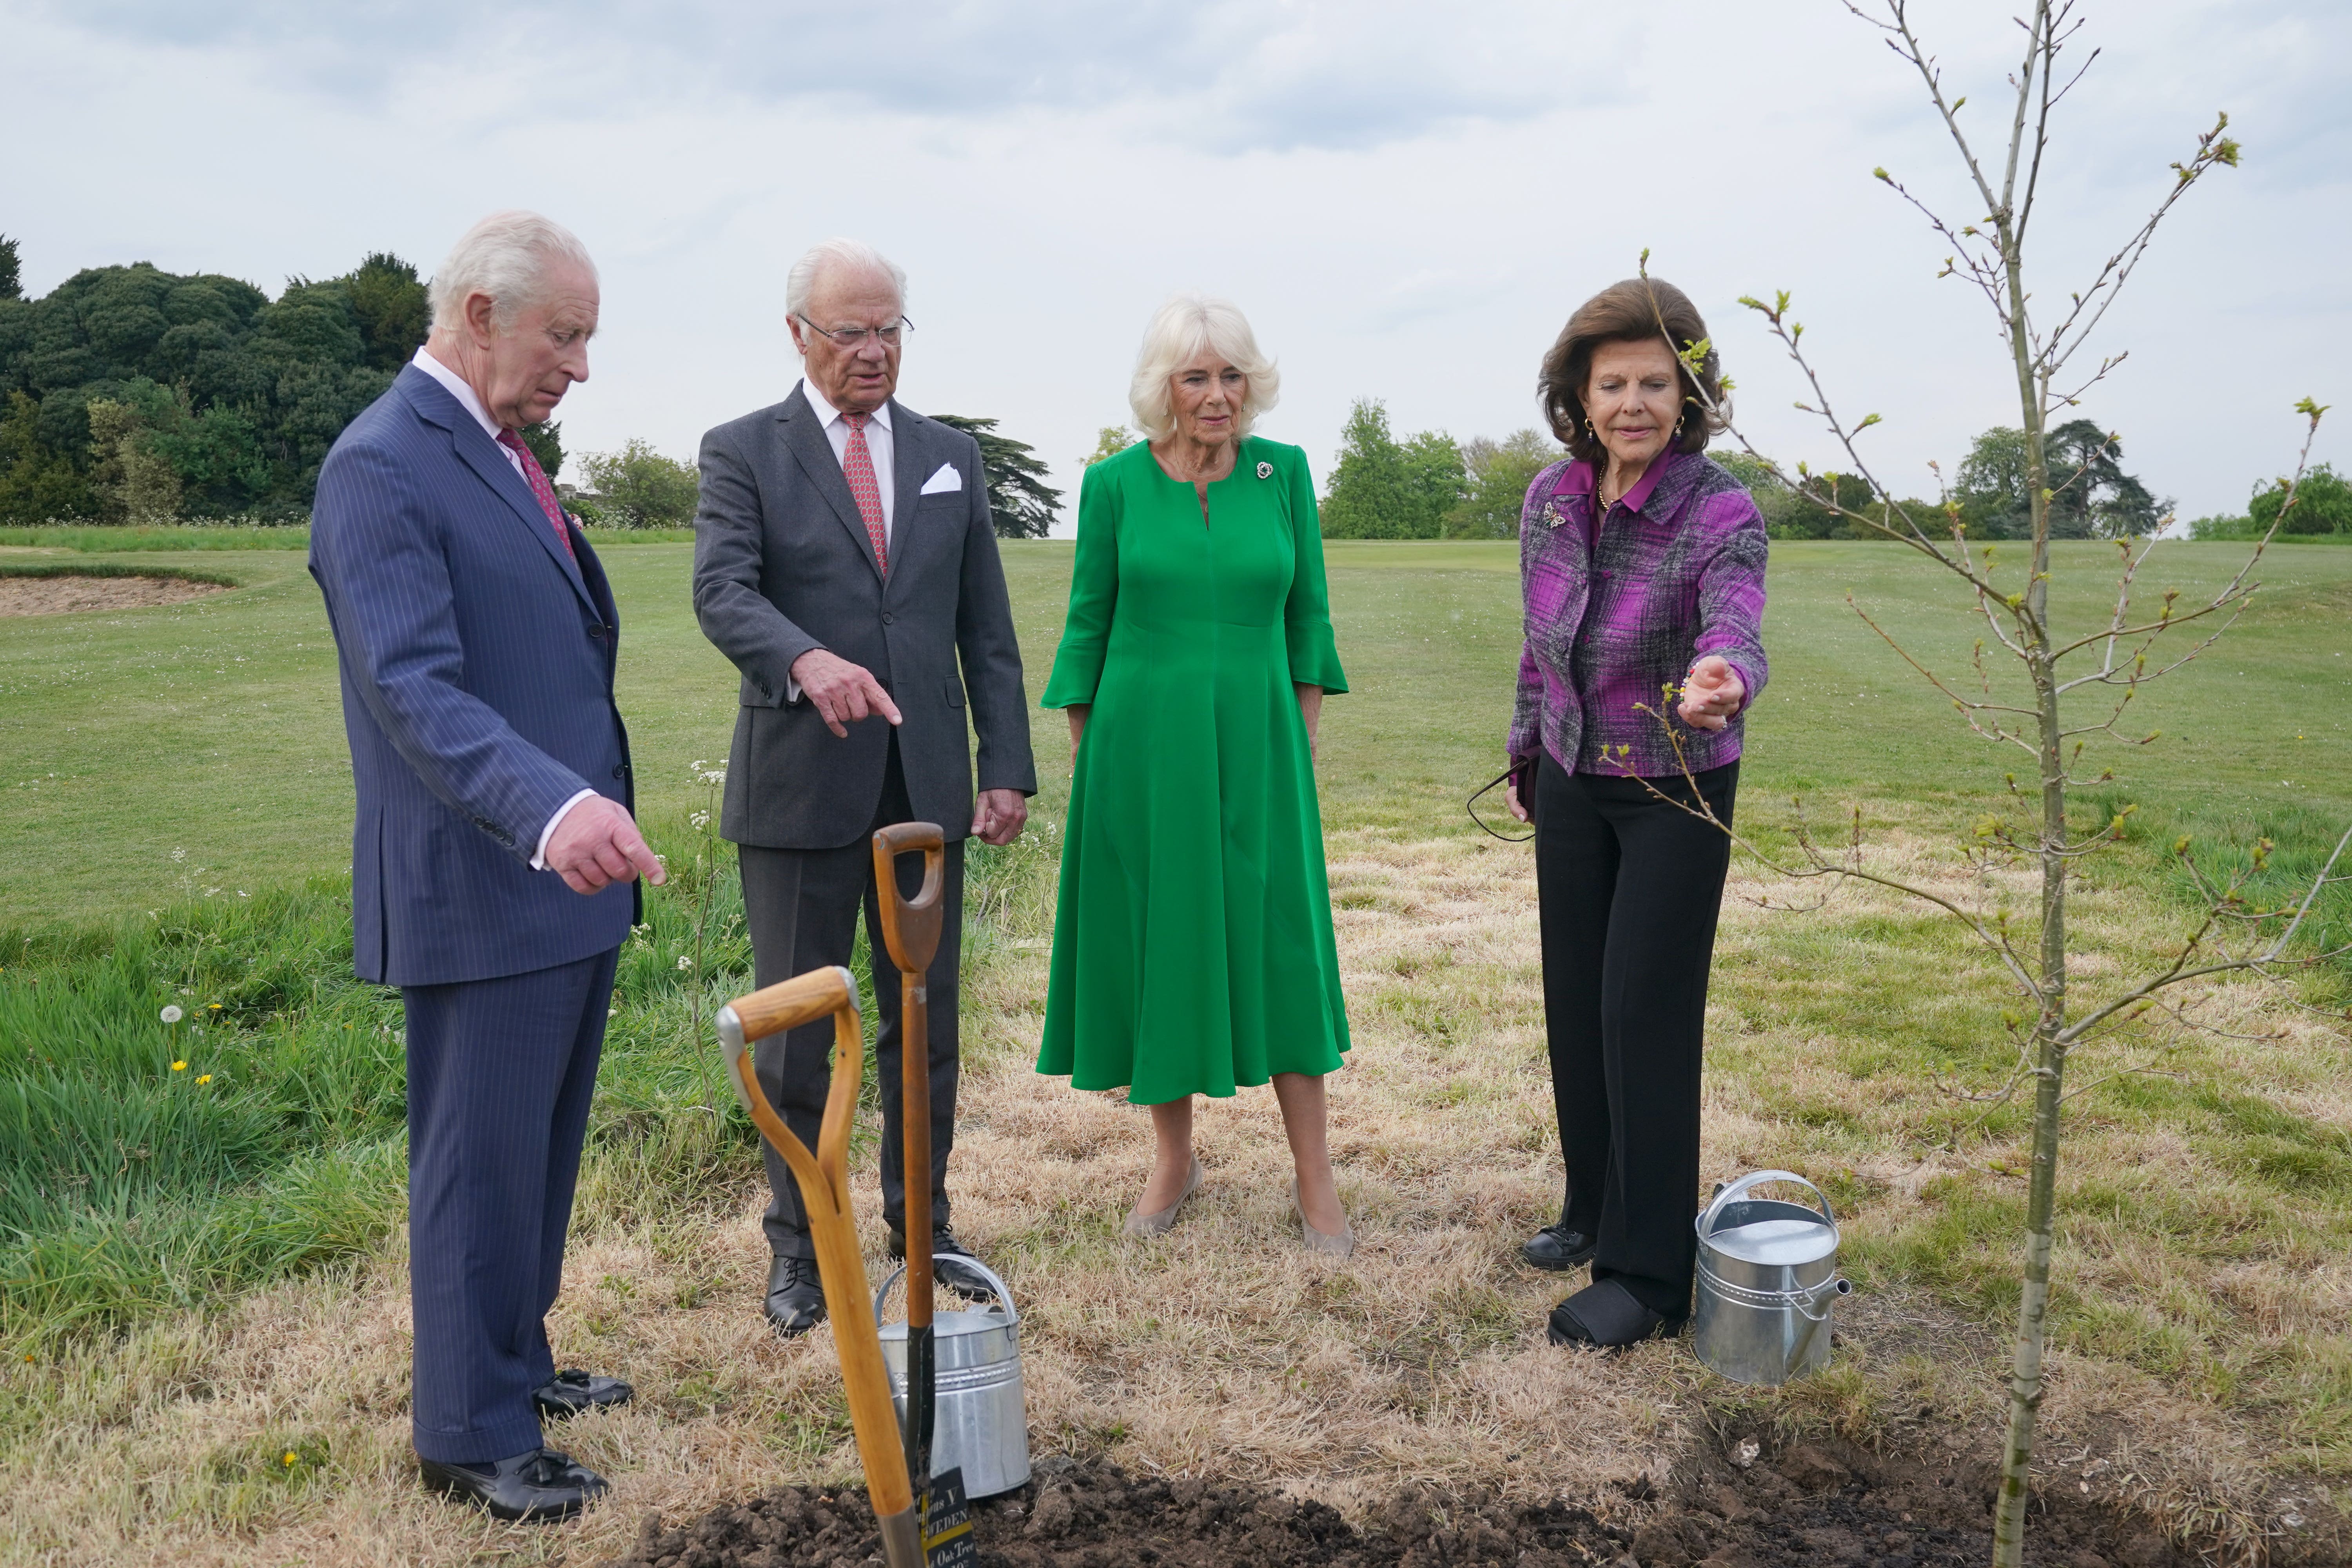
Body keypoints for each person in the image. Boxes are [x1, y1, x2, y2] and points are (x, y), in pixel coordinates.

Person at [310, 211, 661, 1522]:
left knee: (540, 1150)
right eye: (564, 335)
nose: (579, 364)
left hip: (560, 883)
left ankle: (514, 1362)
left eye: (585, 337)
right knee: (481, 1159)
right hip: (486, 875)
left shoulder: (500, 452)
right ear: (477, 316)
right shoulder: (383, 463)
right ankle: (468, 1433)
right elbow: (412, 686)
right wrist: (553, 809)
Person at [692, 238, 1036, 1337]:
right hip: (798, 790)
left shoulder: (949, 456)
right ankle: (799, 1253)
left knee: (921, 1031)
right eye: (851, 332)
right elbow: (722, 592)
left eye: (890, 329)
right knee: (796, 1037)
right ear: (799, 334)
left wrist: (1006, 768)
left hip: (923, 788)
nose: (874, 351)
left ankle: (922, 1234)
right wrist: (804, 660)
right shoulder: (742, 451)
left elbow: (985, 625)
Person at [1035, 294, 1354, 1255]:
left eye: (1231, 375)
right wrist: (1098, 753)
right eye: (1196, 377)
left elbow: (1309, 619)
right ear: (1162, 389)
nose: (1218, 395)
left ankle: (1316, 1176)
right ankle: (1174, 1158)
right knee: (1162, 938)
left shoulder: (1284, 473)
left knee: (1283, 944)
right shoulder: (1115, 484)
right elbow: (1088, 621)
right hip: (1142, 746)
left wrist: (1296, 737)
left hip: (1261, 742)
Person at [1502, 276, 1768, 1347]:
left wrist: (1725, 677)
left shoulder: (1720, 509)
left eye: (1657, 382)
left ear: (1690, 390)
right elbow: (1539, 643)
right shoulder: (1552, 500)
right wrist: (1527, 750)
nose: (1634, 403)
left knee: (1641, 1015)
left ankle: (1650, 1277)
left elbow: (1735, 620)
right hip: (1574, 775)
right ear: (1579, 392)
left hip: (1675, 786)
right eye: (1613, 382)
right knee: (1577, 1001)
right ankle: (1590, 1208)